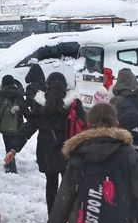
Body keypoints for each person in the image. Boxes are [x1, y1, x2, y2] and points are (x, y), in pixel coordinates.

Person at [10, 71, 85, 214]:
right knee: (68, 185)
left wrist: (14, 148)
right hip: (68, 151)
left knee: (51, 184)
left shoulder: (40, 105)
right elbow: (84, 126)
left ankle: (53, 215)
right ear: (65, 86)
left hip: (47, 152)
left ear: (47, 86)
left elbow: (29, 127)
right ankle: (68, 214)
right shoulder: (74, 104)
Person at [0, 75, 25, 173]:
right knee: (14, 145)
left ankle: (10, 166)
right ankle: (12, 165)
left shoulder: (0, 95)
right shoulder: (18, 94)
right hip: (17, 124)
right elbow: (23, 108)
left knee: (8, 145)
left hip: (4, 126)